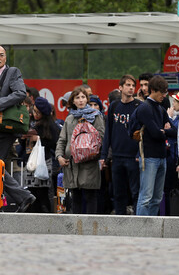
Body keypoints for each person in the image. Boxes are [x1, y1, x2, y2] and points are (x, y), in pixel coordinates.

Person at [0, 43, 36, 212]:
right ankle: (13, 199)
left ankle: (22, 197)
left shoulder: (12, 72)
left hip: (6, 125)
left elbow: (20, 93)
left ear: (5, 58)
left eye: (2, 55)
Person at [56, 85, 105, 214]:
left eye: (83, 97)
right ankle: (77, 228)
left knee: (90, 196)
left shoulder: (96, 116)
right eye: (77, 97)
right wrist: (60, 156)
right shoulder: (69, 118)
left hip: (89, 162)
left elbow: (101, 136)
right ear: (73, 101)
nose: (81, 100)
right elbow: (62, 140)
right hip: (71, 164)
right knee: (75, 197)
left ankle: (90, 226)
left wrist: (89, 150)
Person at [99, 74, 141, 215]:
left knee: (135, 192)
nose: (131, 88)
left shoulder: (139, 106)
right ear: (120, 87)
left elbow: (143, 134)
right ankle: (120, 221)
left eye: (133, 85)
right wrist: (104, 155)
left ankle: (137, 220)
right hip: (117, 157)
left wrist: (138, 154)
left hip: (133, 157)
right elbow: (108, 133)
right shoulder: (114, 106)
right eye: (128, 85)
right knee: (118, 193)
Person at [133, 76, 170, 216]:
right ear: (153, 90)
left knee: (157, 198)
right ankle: (141, 229)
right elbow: (155, 133)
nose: (164, 95)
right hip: (148, 157)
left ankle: (152, 229)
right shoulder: (144, 108)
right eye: (162, 92)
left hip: (162, 157)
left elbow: (174, 131)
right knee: (146, 197)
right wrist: (164, 131)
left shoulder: (160, 108)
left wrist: (164, 131)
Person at [24, 97, 58, 213]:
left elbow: (54, 143)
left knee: (43, 194)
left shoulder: (51, 126)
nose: (35, 114)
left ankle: (46, 217)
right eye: (34, 111)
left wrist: (38, 139)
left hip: (43, 163)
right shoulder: (31, 124)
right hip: (31, 163)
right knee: (31, 193)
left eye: (38, 112)